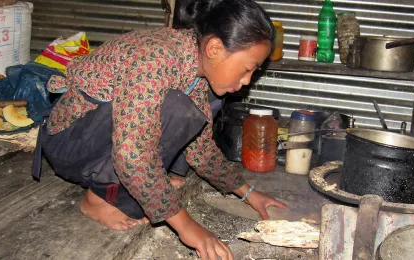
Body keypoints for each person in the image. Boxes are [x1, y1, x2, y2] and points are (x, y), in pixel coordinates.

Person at [32, 0, 288, 259]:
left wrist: (248, 193)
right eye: (247, 69)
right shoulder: (156, 58)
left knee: (186, 112)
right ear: (214, 48)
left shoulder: (194, 67)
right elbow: (132, 155)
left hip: (95, 144)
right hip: (69, 144)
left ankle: (127, 182)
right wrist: (187, 227)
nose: (246, 81)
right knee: (174, 111)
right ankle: (97, 199)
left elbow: (201, 149)